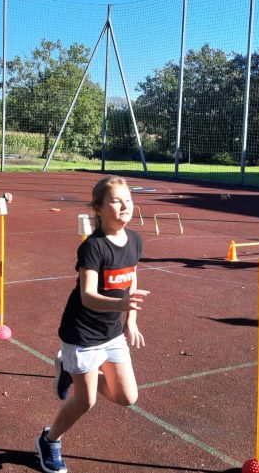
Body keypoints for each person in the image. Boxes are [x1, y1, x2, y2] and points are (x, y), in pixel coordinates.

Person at [35, 175, 150, 473]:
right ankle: (49, 440)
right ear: (98, 208)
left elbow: (132, 276)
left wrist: (131, 320)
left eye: (128, 200)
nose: (125, 206)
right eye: (116, 201)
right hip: (82, 333)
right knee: (85, 402)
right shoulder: (93, 247)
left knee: (128, 397)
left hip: (111, 332)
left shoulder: (135, 239)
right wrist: (121, 305)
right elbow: (87, 296)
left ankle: (68, 370)